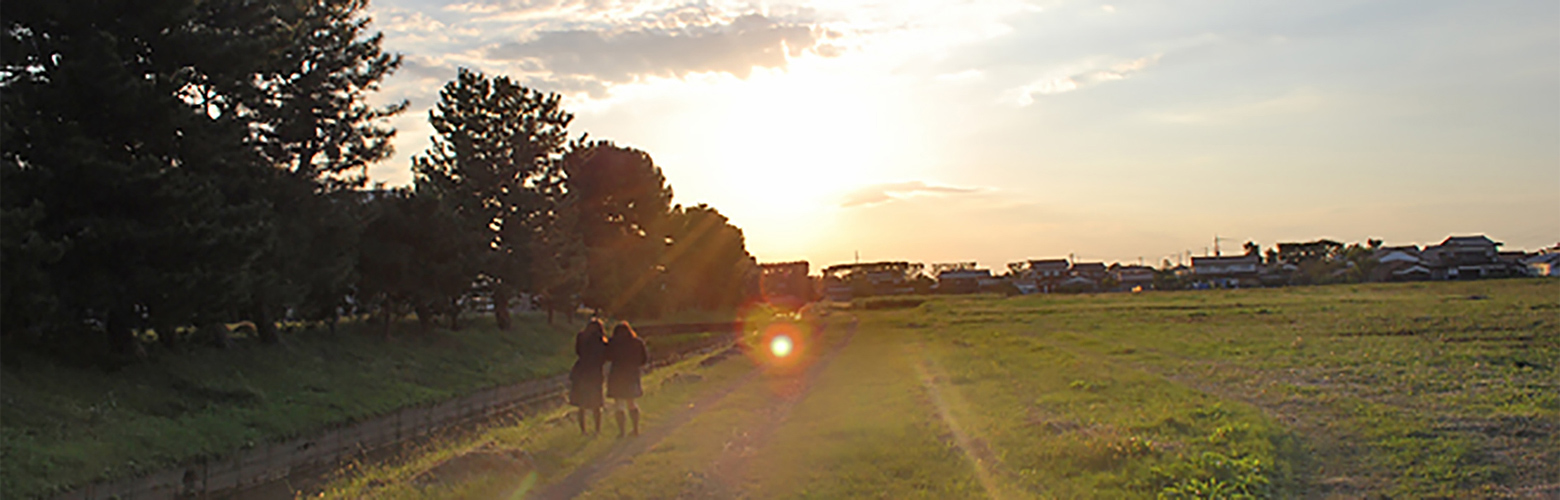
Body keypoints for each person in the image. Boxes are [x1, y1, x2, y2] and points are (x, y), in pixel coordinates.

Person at [606, 321, 649, 437]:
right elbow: (644, 359)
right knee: (631, 402)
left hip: (617, 375)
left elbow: (607, 356)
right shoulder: (638, 342)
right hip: (632, 375)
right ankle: (635, 429)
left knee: (619, 404)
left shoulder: (613, 343)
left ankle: (622, 432)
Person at [568, 320, 608, 435]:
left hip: (581, 371)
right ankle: (597, 430)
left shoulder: (581, 337)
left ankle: (583, 430)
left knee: (581, 404)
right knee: (596, 404)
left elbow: (578, 352)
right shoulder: (601, 341)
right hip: (595, 373)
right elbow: (604, 357)